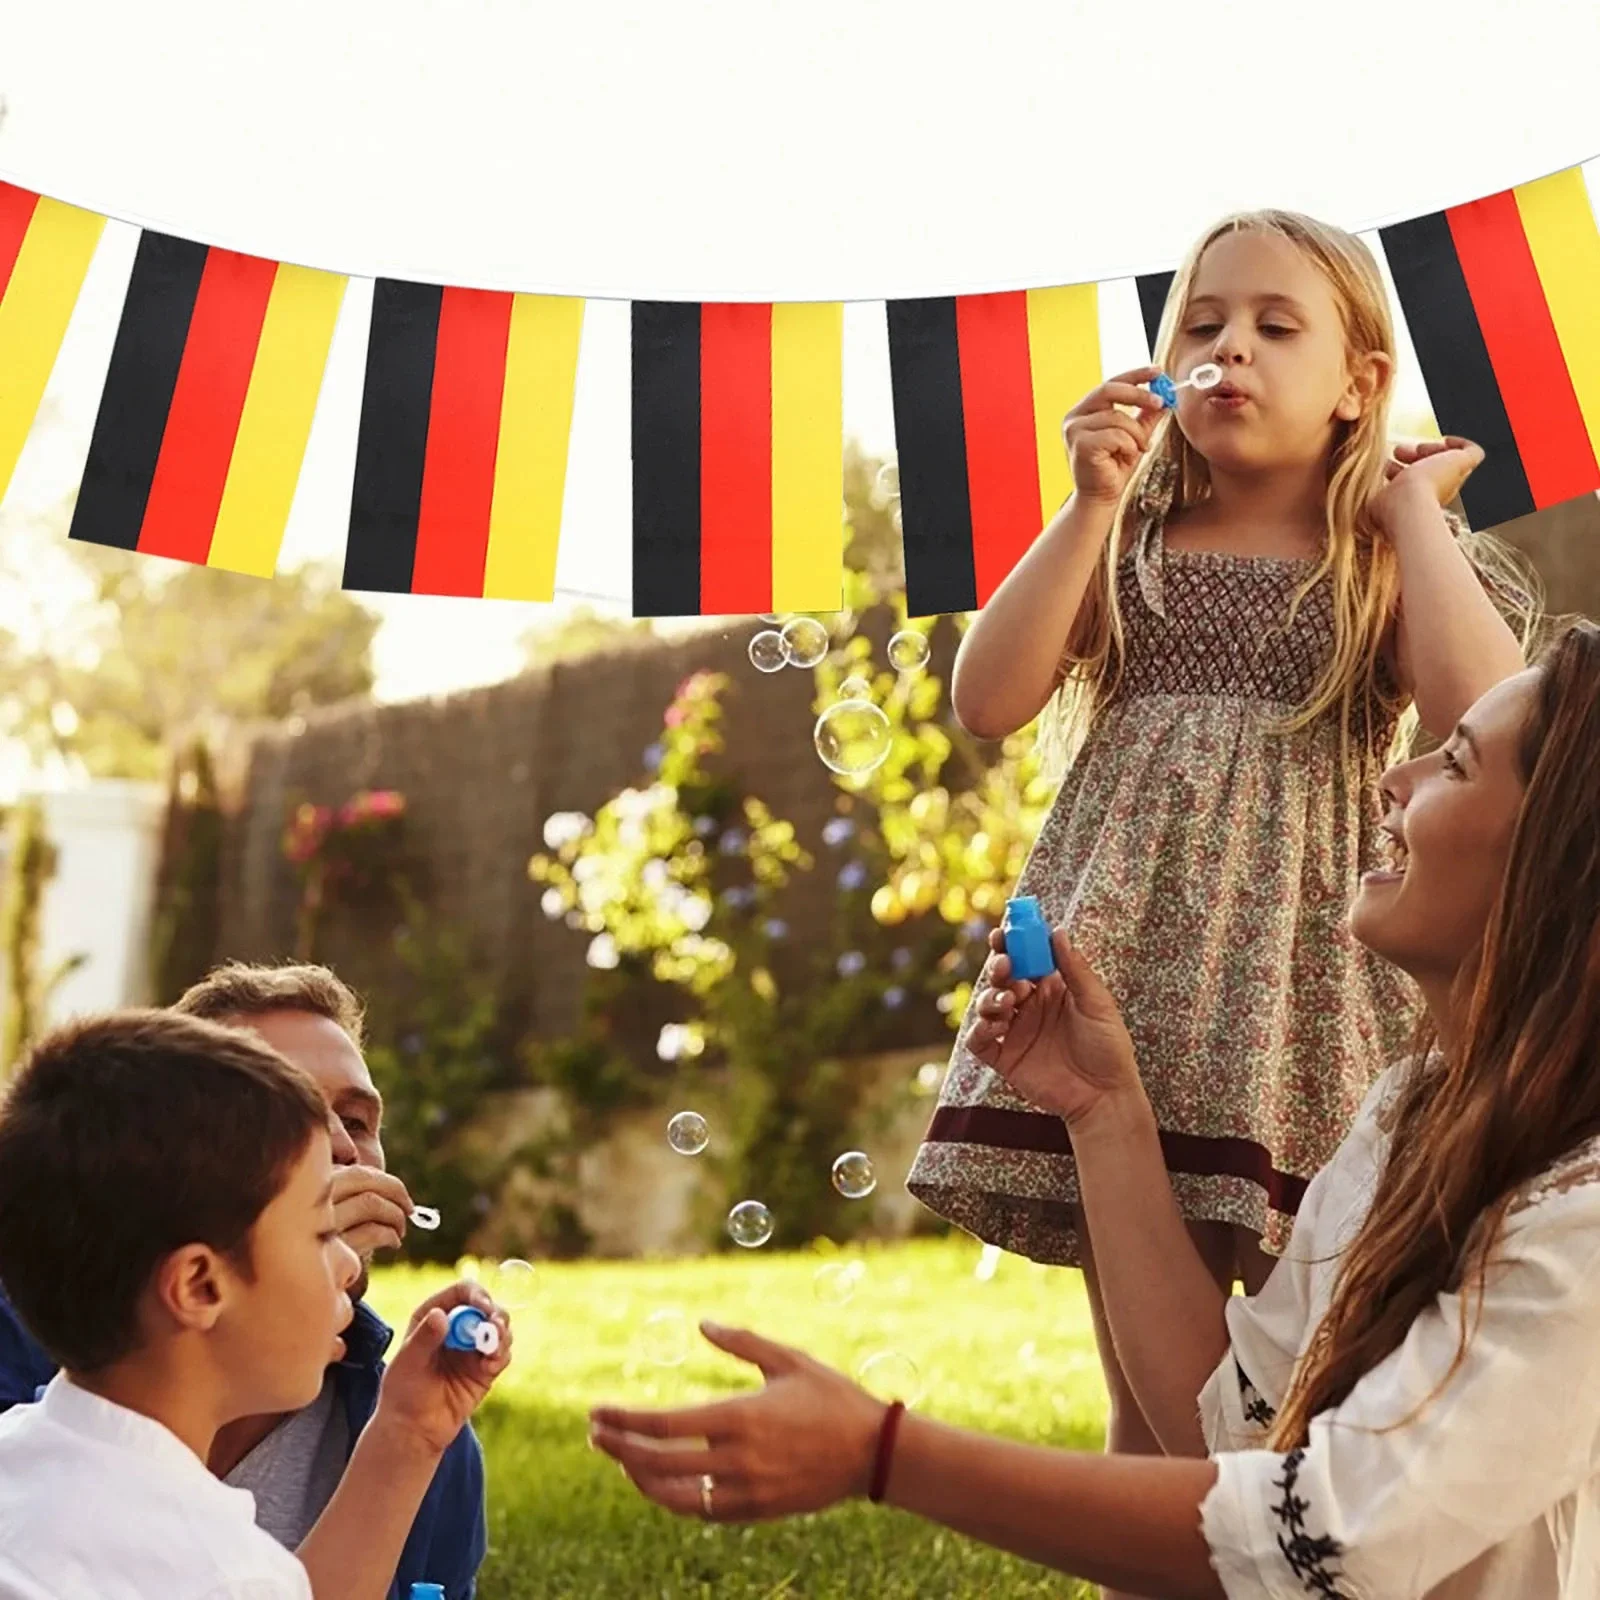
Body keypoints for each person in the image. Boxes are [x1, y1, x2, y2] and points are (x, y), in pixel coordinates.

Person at [590, 619, 1600, 1597]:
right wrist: (1103, 1108)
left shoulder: (1583, 1217)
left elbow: (1325, 1539)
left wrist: (884, 1452)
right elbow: (1234, 1430)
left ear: (1556, 863)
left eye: (1454, 765)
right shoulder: (1405, 1117)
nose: (1393, 777)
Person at [902, 207, 1537, 1600]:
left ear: (1361, 382)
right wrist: (1085, 503)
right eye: (1202, 323)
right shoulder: (1130, 534)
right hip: (1122, 988)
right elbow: (989, 699)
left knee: (1299, 1370)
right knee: (1149, 1394)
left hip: (1301, 1003)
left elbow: (1492, 716)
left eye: (1275, 325)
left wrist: (1411, 515)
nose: (1229, 349)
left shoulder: (1378, 554)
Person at [0, 962, 489, 1600]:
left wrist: (406, 1438)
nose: (345, 1150)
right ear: (199, 1285)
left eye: (358, 1122)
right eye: (318, 1232)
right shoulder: (235, 1571)